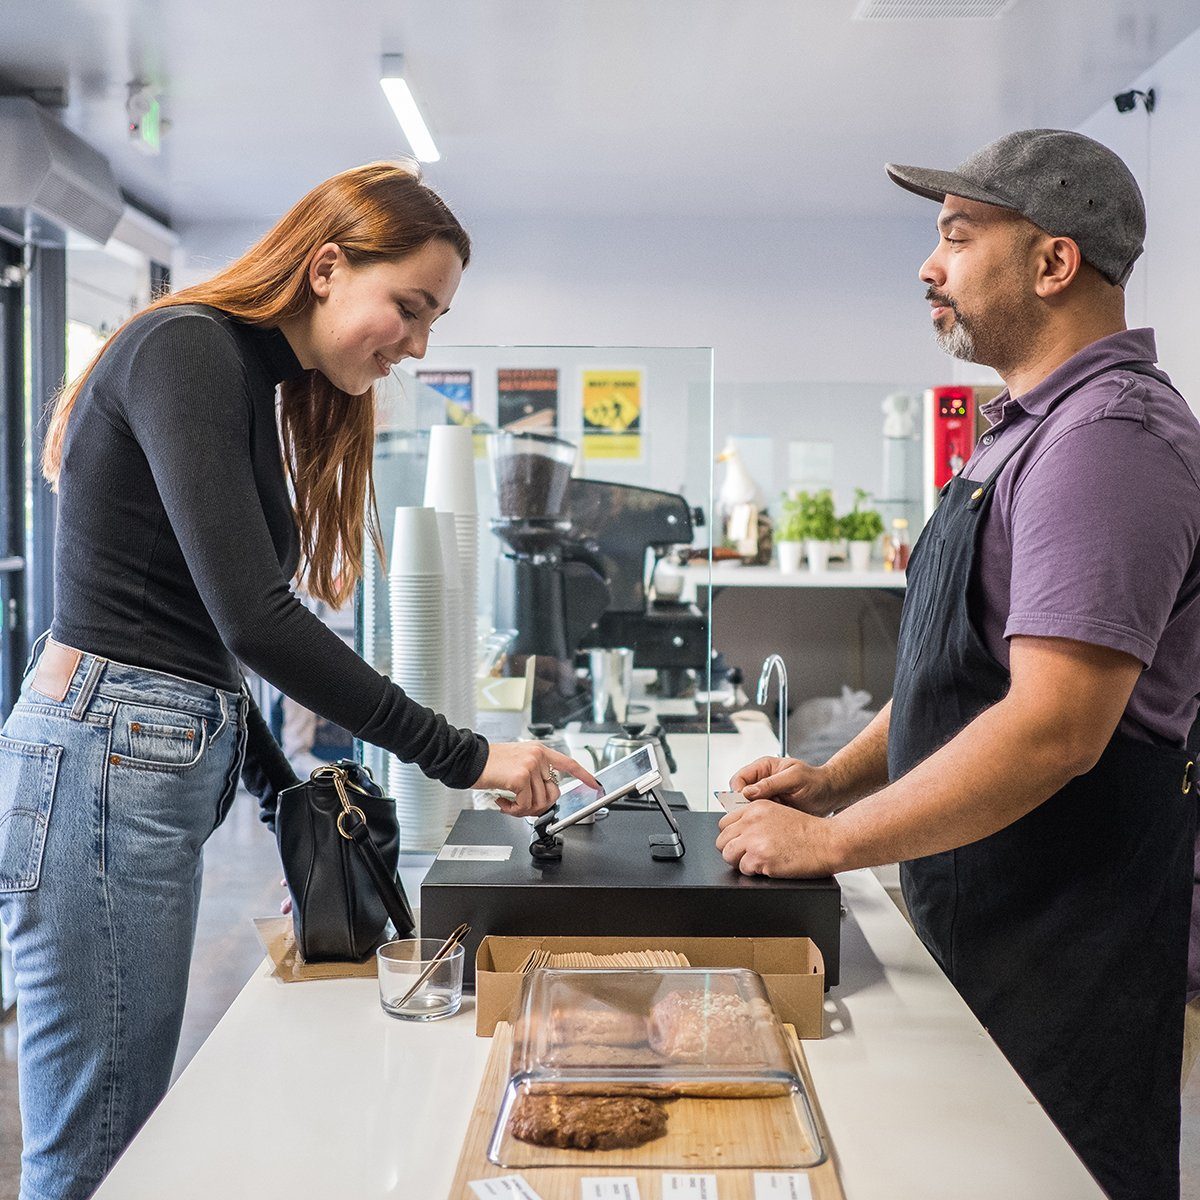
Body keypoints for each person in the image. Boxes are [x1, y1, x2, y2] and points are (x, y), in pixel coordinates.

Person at [0, 161, 596, 1200]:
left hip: (137, 756)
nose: (417, 344)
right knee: (97, 1149)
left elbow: (198, 631)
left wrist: (286, 796)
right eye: (408, 307)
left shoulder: (244, 374)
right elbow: (253, 618)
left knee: (119, 1132)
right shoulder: (188, 349)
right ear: (326, 268)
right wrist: (466, 755)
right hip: (104, 760)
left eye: (434, 320)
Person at [718, 130, 1199, 1200]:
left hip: (1067, 945)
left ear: (1053, 263)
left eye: (956, 236)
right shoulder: (1028, 432)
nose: (929, 267)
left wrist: (832, 842)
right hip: (988, 915)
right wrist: (836, 774)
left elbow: (1053, 726)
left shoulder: (1109, 441)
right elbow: (963, 670)